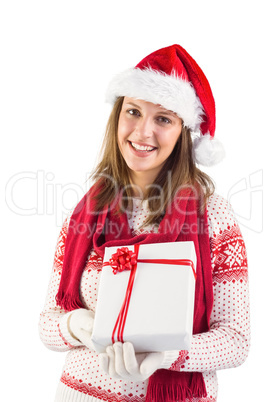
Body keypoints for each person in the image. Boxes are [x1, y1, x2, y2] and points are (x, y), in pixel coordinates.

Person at [39, 44, 250, 402]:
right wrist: (78, 325)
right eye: (133, 111)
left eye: (163, 119)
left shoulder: (212, 215)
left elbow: (235, 340)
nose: (142, 131)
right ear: (117, 117)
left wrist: (166, 356)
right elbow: (48, 324)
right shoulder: (84, 213)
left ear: (183, 132)